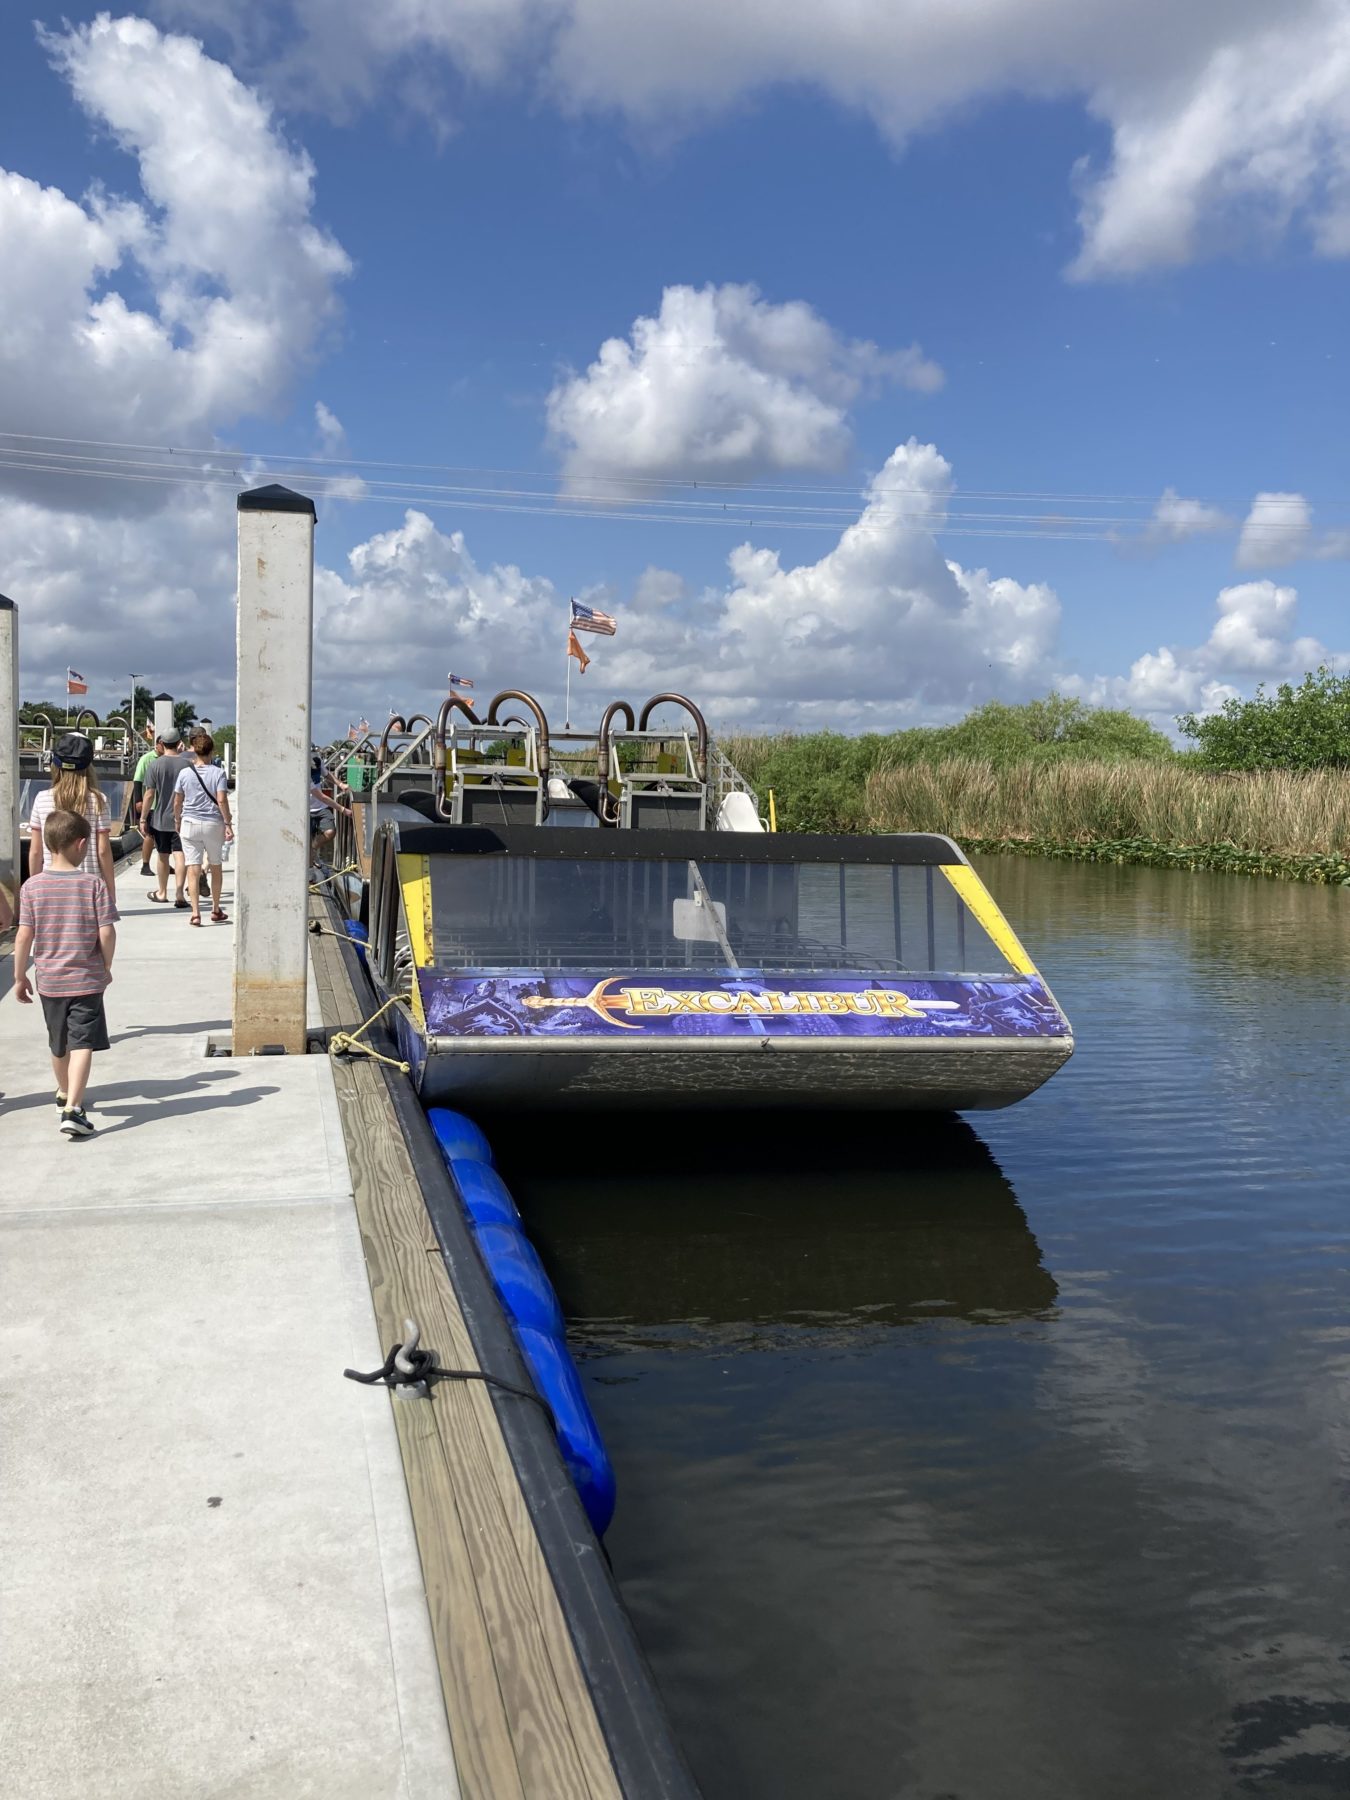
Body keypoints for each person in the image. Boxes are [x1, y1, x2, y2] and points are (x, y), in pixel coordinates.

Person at [13, 807, 118, 1139]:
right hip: (86, 979)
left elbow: (24, 935)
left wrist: (19, 976)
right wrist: (106, 965)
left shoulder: (31, 888)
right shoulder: (93, 885)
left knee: (58, 1044)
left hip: (49, 980)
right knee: (82, 1042)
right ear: (81, 843)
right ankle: (74, 1108)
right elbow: (107, 933)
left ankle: (63, 1093)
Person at [28, 733, 116, 905]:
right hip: (88, 887)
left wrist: (34, 887)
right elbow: (103, 851)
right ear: (88, 766)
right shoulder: (98, 800)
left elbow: (36, 852)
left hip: (50, 887)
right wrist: (111, 892)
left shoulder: (42, 798)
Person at [173, 730, 234, 925]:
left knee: (193, 868)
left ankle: (195, 912)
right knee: (215, 866)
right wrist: (228, 823)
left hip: (189, 823)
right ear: (211, 752)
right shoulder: (218, 773)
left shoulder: (184, 773)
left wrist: (177, 820)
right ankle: (216, 909)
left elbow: (177, 801)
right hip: (212, 824)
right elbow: (222, 799)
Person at [139, 727, 191, 908]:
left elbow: (149, 794)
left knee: (162, 855)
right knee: (180, 854)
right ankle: (179, 893)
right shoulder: (187, 765)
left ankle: (162, 892)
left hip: (161, 817)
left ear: (161, 743)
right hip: (182, 817)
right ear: (179, 743)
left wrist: (143, 818)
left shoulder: (155, 765)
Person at [130, 733, 161, 877]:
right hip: (151, 805)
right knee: (150, 835)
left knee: (163, 836)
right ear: (158, 744)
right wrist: (138, 800)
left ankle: (164, 864)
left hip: (163, 804)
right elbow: (137, 781)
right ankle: (145, 864)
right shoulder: (146, 759)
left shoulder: (167, 758)